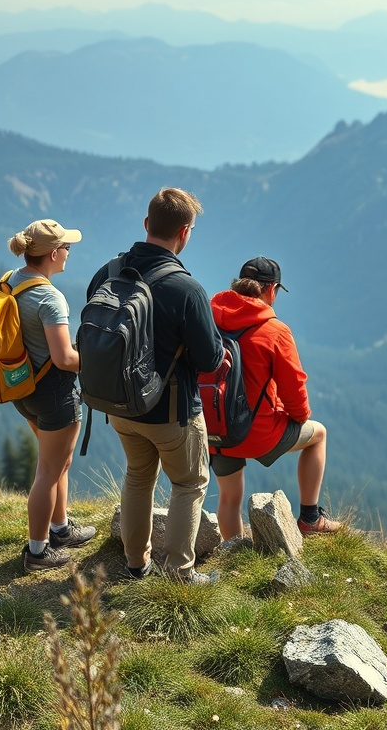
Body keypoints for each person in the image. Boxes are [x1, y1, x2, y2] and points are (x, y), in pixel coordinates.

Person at [87, 188, 224, 584]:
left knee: (137, 477)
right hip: (172, 413)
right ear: (185, 232)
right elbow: (210, 359)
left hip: (119, 405)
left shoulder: (108, 272)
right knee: (188, 484)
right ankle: (179, 574)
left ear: (147, 224)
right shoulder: (187, 289)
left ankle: (135, 563)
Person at [209, 256, 341, 540]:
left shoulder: (208, 318)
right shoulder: (274, 331)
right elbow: (294, 391)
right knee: (318, 434)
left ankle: (231, 555)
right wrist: (298, 416)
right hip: (257, 433)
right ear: (271, 290)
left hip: (214, 428)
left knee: (229, 497)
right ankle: (310, 518)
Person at [7, 219, 97, 573]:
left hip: (23, 388)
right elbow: (64, 358)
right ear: (54, 253)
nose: (69, 254)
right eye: (67, 249)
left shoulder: (13, 279)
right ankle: (38, 551)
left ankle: (60, 529)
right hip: (54, 392)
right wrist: (93, 361)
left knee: (58, 462)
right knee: (48, 469)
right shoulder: (49, 297)